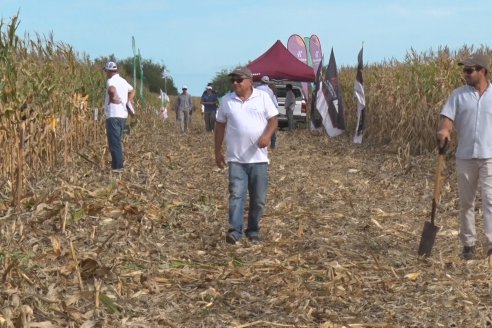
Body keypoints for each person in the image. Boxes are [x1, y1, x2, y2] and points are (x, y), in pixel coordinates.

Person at [437, 53, 492, 260]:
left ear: (483, 71)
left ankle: (491, 245)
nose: (465, 74)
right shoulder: (458, 95)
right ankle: (468, 244)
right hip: (465, 156)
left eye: (470, 70)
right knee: (467, 203)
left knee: (490, 201)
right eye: (464, 70)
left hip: (489, 157)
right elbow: (447, 117)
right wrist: (444, 131)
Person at [215, 67, 278, 244]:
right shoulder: (227, 101)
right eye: (233, 80)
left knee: (258, 200)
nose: (235, 83)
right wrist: (217, 151)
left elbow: (273, 120)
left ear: (250, 81)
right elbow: (220, 126)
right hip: (236, 159)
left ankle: (253, 231)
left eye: (239, 80)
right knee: (236, 196)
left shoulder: (263, 97)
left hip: (259, 159)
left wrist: (266, 136)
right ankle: (235, 232)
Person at [103, 61, 135, 172]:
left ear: (108, 71)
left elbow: (111, 89)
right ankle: (116, 165)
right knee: (118, 140)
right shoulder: (124, 81)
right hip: (123, 115)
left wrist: (114, 97)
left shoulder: (110, 81)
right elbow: (132, 90)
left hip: (113, 114)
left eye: (106, 71)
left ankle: (118, 167)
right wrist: (129, 99)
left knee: (114, 142)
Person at [256, 76, 279, 148]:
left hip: (258, 111)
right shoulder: (270, 91)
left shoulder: (256, 89)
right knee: (271, 127)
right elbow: (274, 103)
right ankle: (273, 144)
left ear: (261, 81)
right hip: (268, 112)